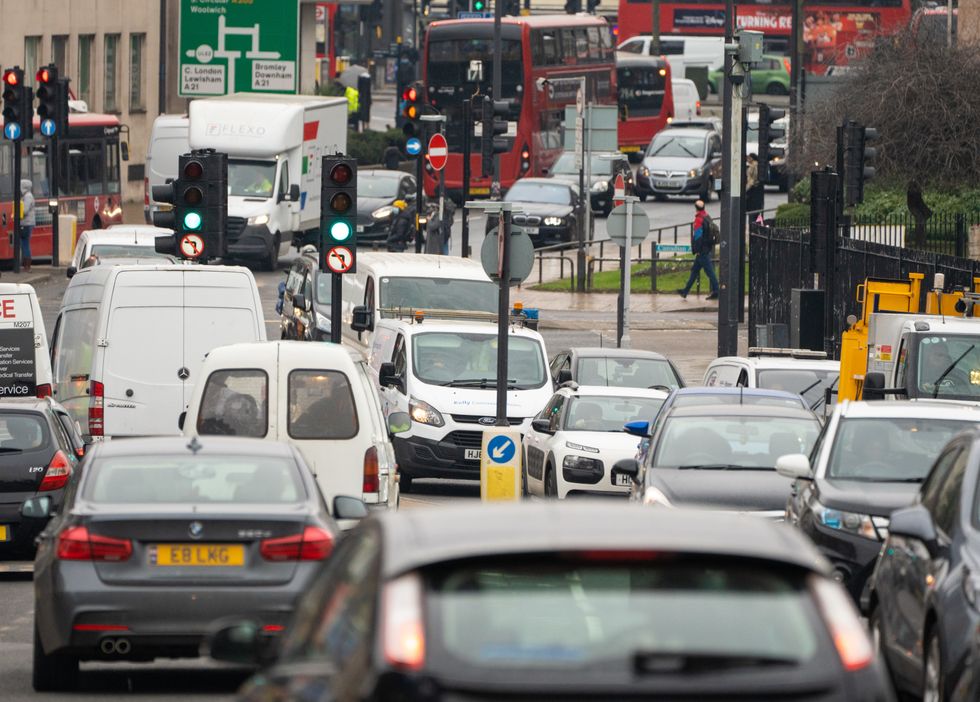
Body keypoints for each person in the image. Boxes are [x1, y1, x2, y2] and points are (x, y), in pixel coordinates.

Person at [677, 200, 719, 300]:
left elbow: (698, 236)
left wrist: (697, 250)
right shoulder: (707, 216)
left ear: (696, 208)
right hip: (707, 247)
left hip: (702, 250)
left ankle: (717, 291)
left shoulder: (699, 219)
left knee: (710, 272)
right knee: (694, 271)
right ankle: (685, 291)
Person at [20, 179, 35, 272]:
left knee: (25, 244)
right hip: (26, 223)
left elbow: (24, 210)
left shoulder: (28, 196)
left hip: (26, 223)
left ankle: (27, 266)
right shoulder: (26, 196)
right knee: (24, 244)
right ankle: (26, 265)